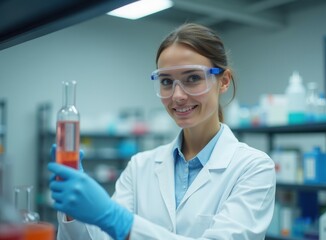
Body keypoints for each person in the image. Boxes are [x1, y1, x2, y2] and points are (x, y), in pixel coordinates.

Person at [48, 23, 276, 240]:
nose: (177, 96)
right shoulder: (140, 166)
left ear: (223, 81)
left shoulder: (253, 167)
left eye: (193, 78)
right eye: (167, 81)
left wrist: (120, 221)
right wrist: (74, 210)